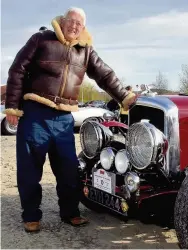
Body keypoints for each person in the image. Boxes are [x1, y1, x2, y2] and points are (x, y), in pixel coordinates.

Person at [3, 7, 136, 233]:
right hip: (36, 112)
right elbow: (17, 70)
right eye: (71, 21)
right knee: (29, 168)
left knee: (69, 169)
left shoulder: (85, 51)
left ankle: (70, 212)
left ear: (83, 28)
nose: (74, 26)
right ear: (62, 21)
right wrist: (13, 108)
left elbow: (104, 74)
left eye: (79, 24)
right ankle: (31, 216)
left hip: (64, 117)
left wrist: (124, 96)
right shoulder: (41, 39)